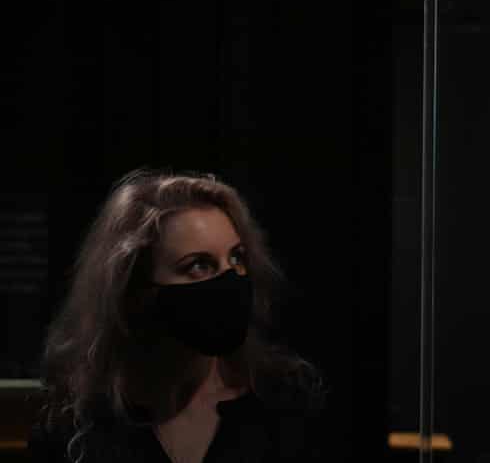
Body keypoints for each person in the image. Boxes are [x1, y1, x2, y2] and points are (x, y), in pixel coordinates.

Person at [28, 168, 327, 462]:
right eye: (198, 265)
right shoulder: (74, 425)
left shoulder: (285, 402)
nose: (230, 278)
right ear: (137, 289)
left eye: (237, 258)